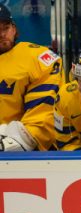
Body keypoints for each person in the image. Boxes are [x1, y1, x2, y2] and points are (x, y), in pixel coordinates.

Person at [0, 4, 61, 152]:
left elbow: (44, 114)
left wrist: (13, 142)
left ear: (14, 29)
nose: (1, 34)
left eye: (5, 28)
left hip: (19, 151)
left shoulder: (39, 59)